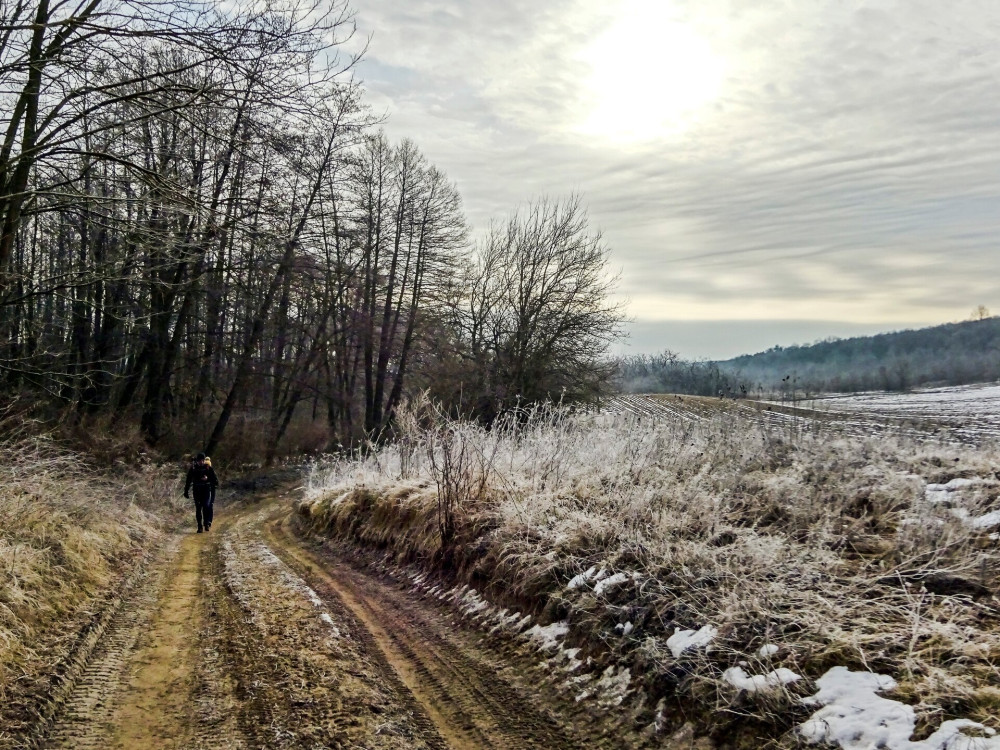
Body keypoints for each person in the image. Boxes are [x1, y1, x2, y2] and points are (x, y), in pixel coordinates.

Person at [184, 452, 219, 533]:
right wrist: (186, 491)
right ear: (197, 461)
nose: (201, 462)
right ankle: (199, 526)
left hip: (206, 489)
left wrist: (207, 478)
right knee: (198, 508)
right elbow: (188, 480)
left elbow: (215, 481)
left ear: (204, 460)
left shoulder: (208, 468)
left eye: (203, 460)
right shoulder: (193, 468)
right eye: (200, 460)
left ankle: (206, 523)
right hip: (197, 490)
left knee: (206, 506)